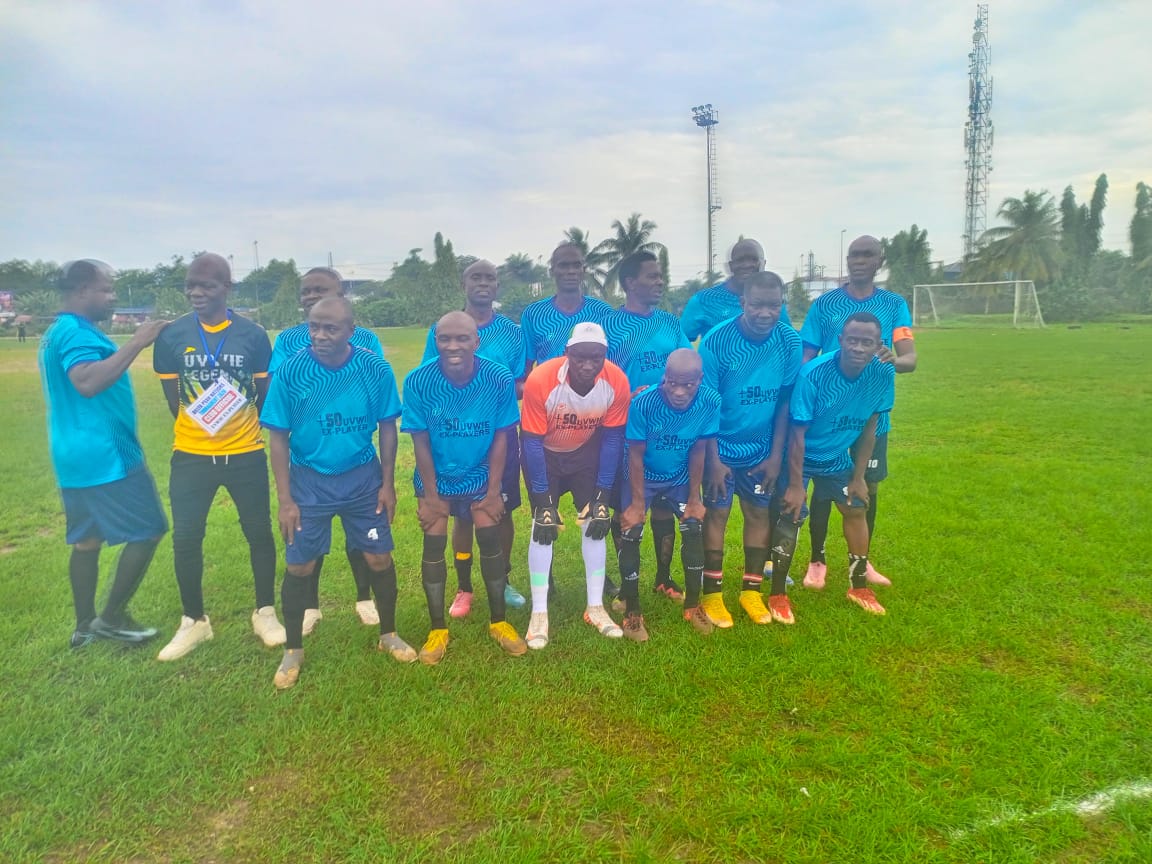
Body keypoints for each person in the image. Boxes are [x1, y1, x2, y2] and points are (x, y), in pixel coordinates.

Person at [262, 297, 414, 689]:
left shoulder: (374, 368)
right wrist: (285, 500)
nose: (320, 335)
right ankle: (293, 649)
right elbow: (277, 436)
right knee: (300, 565)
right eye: (314, 326)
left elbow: (388, 426)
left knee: (379, 557)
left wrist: (387, 484)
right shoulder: (291, 370)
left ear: (351, 330)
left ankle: (388, 633)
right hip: (309, 480)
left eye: (330, 328)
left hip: (362, 478)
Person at [153, 253, 283, 661]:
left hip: (246, 453)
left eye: (206, 285)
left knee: (258, 532)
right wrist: (202, 429)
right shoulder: (172, 336)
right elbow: (173, 401)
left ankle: (265, 612)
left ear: (227, 288)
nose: (196, 292)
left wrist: (237, 426)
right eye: (190, 285)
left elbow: (264, 396)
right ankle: (194, 621)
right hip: (191, 455)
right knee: (187, 538)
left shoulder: (253, 335)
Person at [39, 259, 169, 649]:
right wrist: (138, 342)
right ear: (82, 291)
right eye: (106, 289)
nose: (112, 297)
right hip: (106, 454)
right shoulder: (76, 332)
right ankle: (111, 618)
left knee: (88, 540)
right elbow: (86, 381)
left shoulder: (57, 330)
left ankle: (84, 628)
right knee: (149, 528)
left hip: (73, 454)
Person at [402, 311, 527, 664]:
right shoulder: (418, 381)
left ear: (477, 341)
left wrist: (493, 492)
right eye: (445, 338)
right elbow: (420, 441)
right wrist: (430, 497)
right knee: (434, 542)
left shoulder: (498, 378)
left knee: (489, 537)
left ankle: (499, 622)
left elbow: (502, 438)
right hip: (437, 477)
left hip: (480, 474)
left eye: (462, 338)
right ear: (435, 341)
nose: (453, 346)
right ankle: (437, 630)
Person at [798, 235, 917, 589]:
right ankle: (817, 559)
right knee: (823, 484)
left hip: (870, 414)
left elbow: (909, 357)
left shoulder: (894, 305)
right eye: (854, 255)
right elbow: (808, 354)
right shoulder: (825, 305)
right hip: (829, 416)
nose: (859, 260)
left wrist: (894, 361)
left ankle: (862, 561)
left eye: (867, 255)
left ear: (880, 261)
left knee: (866, 487)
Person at [269, 266, 383, 630]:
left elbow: (373, 389)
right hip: (310, 459)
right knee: (308, 539)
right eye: (306, 291)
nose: (311, 296)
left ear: (341, 297)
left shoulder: (366, 341)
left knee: (360, 536)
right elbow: (281, 393)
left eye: (321, 290)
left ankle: (364, 597)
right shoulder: (289, 341)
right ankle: (310, 605)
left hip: (354, 459)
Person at [420, 260, 529, 617]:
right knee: (463, 516)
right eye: (475, 277)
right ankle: (464, 587)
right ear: (463, 284)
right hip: (455, 438)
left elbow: (520, 382)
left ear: (497, 285)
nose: (483, 283)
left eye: (489, 278)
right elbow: (431, 377)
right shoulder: (442, 328)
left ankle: (503, 578)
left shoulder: (512, 332)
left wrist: (486, 393)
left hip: (497, 435)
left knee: (501, 509)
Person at [698, 272, 802, 627]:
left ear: (782, 305)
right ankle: (712, 595)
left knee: (758, 513)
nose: (765, 313)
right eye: (757, 304)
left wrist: (775, 457)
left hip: (761, 452)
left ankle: (751, 592)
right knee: (717, 515)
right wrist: (713, 460)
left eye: (774, 305)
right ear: (743, 303)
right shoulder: (716, 341)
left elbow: (785, 403)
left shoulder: (789, 341)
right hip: (721, 449)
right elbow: (707, 405)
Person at [519, 322, 631, 649]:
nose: (587, 365)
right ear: (567, 353)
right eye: (580, 357)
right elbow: (531, 442)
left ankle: (595, 607)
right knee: (542, 525)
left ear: (605, 355)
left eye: (596, 357)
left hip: (584, 454)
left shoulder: (616, 381)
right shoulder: (542, 379)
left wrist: (602, 494)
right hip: (544, 454)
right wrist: (543, 500)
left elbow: (612, 439)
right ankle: (539, 612)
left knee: (596, 521)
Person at [779, 312, 895, 615]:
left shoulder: (883, 373)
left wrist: (858, 477)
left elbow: (870, 428)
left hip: (836, 458)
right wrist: (795, 485)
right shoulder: (814, 374)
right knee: (791, 513)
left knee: (856, 508)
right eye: (852, 340)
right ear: (841, 340)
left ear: (878, 345)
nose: (858, 347)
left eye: (866, 342)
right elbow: (797, 435)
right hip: (802, 456)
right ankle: (778, 593)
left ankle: (859, 586)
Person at [604, 250, 692, 605]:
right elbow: (596, 377)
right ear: (630, 282)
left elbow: (689, 364)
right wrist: (628, 396)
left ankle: (663, 577)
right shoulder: (610, 326)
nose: (660, 282)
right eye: (652, 276)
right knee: (624, 506)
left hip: (670, 432)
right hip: (625, 432)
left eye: (660, 276)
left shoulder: (670, 323)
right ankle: (628, 587)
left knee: (664, 503)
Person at [617, 349, 719, 639]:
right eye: (672, 383)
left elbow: (698, 450)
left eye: (688, 385)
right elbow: (635, 455)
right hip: (642, 475)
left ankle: (692, 605)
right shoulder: (644, 403)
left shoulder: (710, 401)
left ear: (700, 379)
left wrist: (695, 498)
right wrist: (637, 504)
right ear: (664, 377)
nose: (679, 392)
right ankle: (632, 611)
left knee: (693, 526)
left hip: (678, 477)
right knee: (631, 530)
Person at [520, 243, 614, 369]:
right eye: (563, 266)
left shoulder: (604, 312)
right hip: (549, 382)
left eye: (576, 266)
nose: (571, 271)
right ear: (552, 272)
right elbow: (527, 366)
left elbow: (612, 362)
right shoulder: (534, 314)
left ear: (583, 270)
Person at [680, 239, 791, 341]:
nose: (747, 265)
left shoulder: (773, 302)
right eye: (740, 260)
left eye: (754, 259)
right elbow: (679, 343)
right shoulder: (703, 300)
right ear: (731, 266)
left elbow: (789, 341)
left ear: (764, 264)